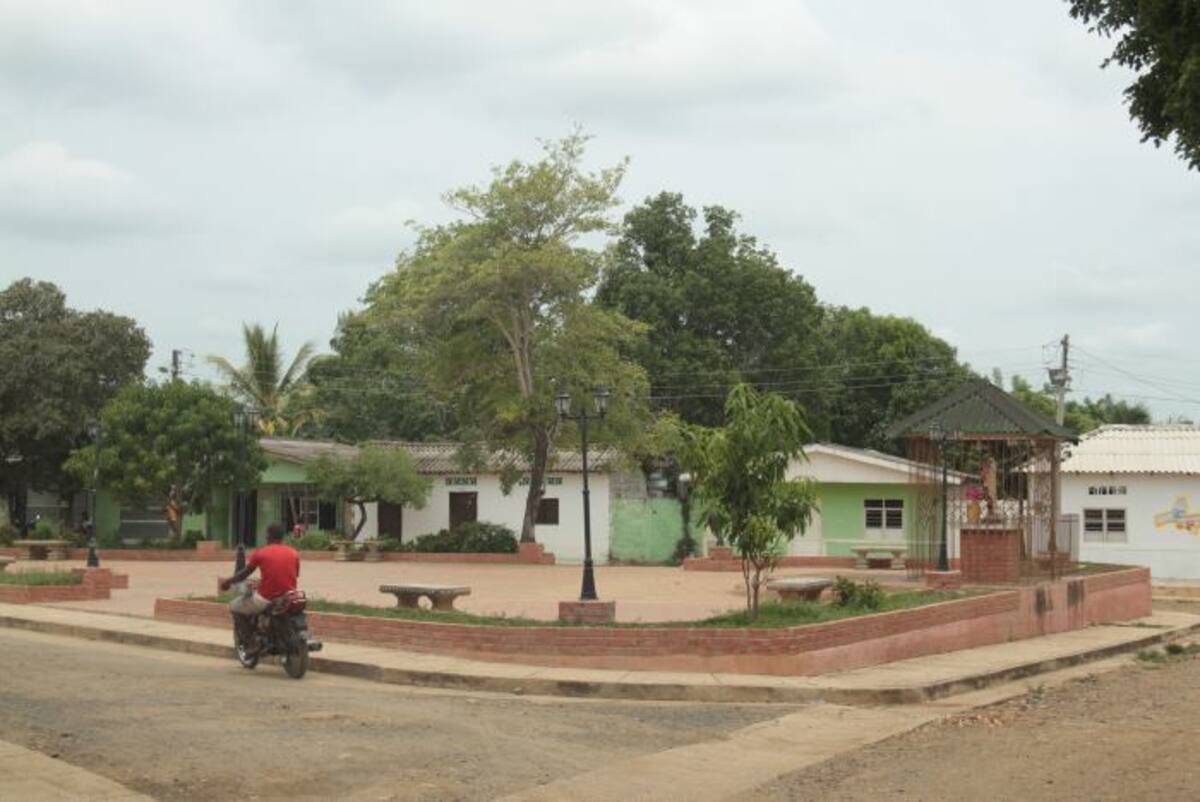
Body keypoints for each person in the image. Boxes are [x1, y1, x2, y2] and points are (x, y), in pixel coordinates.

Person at [219, 523, 300, 619]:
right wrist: (262, 582)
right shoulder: (294, 553)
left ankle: (245, 634)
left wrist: (228, 582)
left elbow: (244, 574)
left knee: (234, 605)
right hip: (288, 598)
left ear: (268, 536)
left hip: (267, 599)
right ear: (282, 537)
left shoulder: (261, 552)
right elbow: (294, 575)